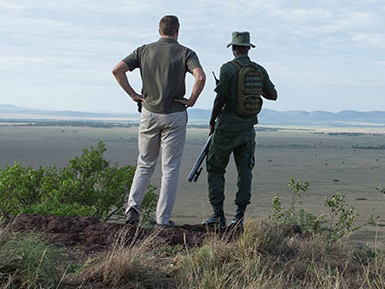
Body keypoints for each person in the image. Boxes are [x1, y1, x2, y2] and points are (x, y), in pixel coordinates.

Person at [112, 15, 206, 227]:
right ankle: (162, 220)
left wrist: (133, 94)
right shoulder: (186, 53)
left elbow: (117, 70)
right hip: (175, 114)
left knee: (144, 164)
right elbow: (200, 77)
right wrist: (191, 100)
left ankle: (133, 211)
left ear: (159, 30)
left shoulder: (143, 50)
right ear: (177, 31)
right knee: (170, 168)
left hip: (149, 112)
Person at [203, 31, 277, 230]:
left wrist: (212, 121)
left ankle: (218, 215)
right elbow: (273, 95)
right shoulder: (259, 70)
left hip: (227, 128)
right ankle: (239, 217)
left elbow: (220, 99)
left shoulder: (228, 69)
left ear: (233, 48)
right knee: (245, 171)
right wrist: (254, 89)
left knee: (216, 168)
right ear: (248, 47)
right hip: (248, 129)